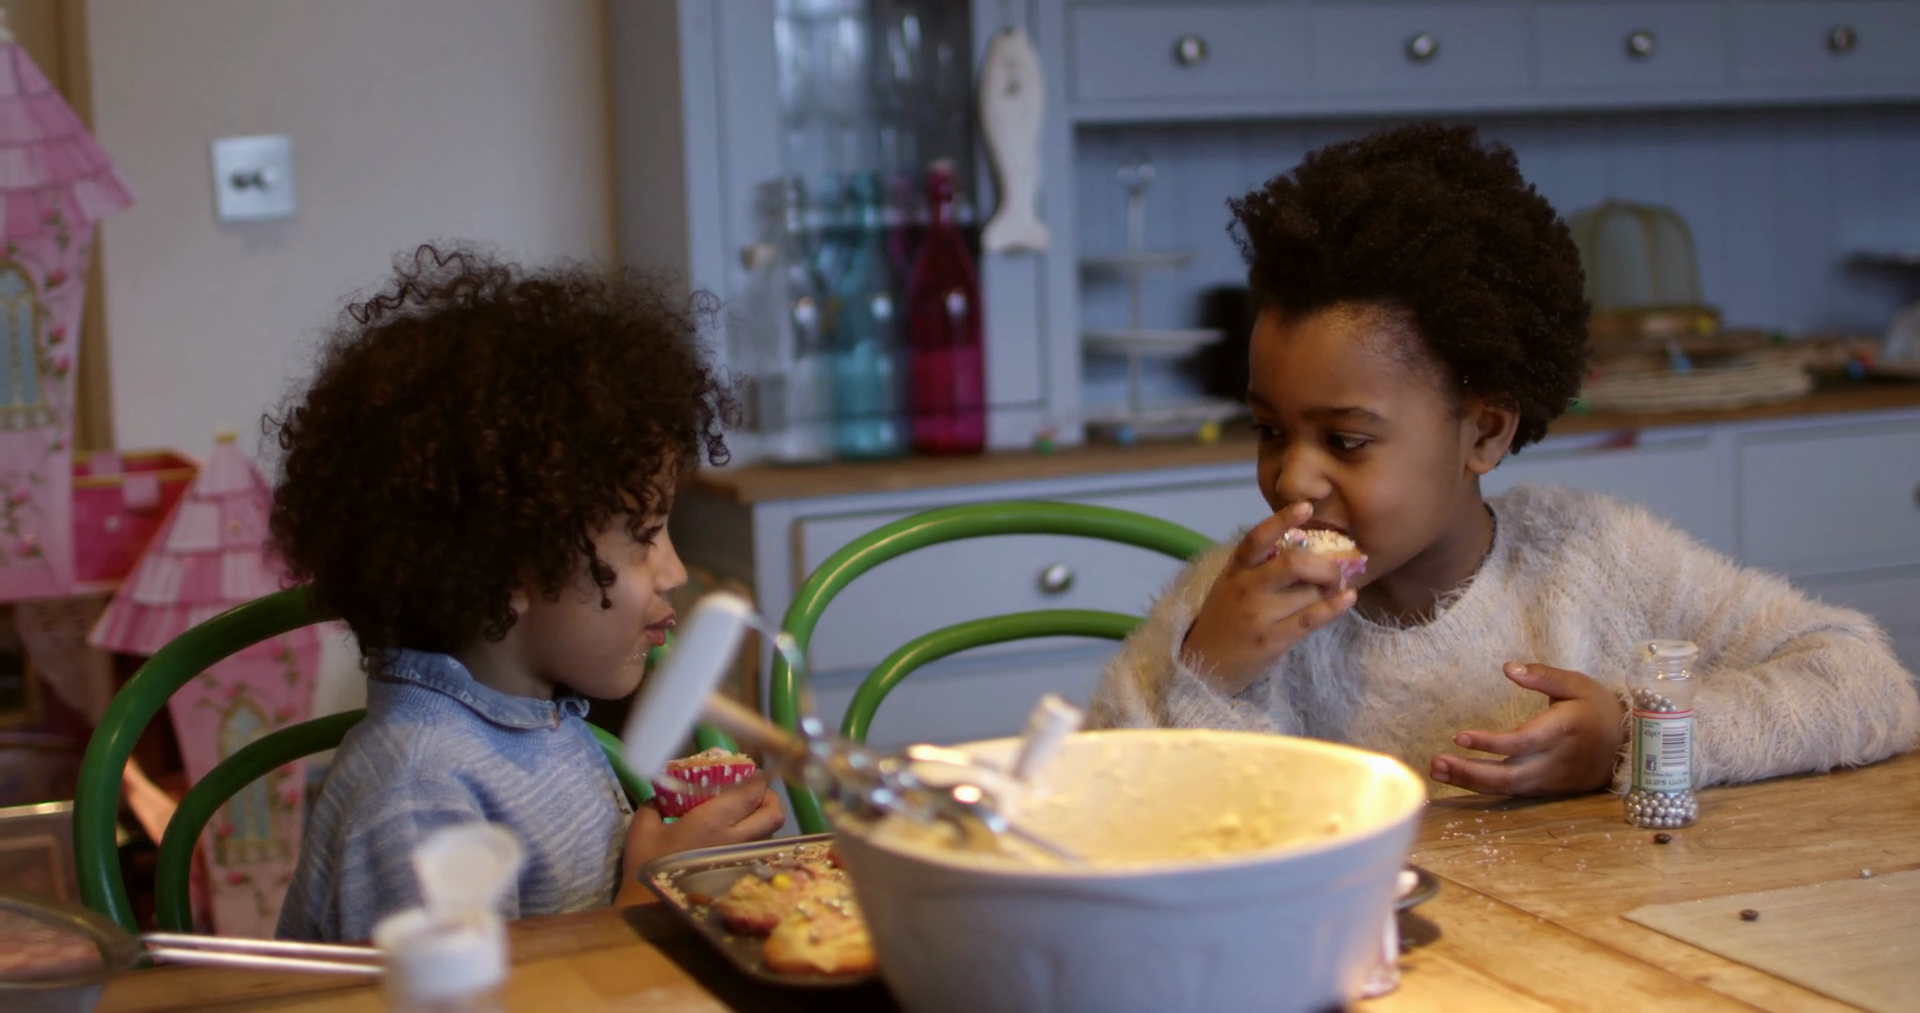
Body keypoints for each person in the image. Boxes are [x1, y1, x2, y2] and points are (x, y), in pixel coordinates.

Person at [1088, 124, 1919, 798]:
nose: (1292, 479)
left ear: (1482, 431)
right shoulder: (1224, 607)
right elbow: (1094, 807)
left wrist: (1630, 736)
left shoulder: (1597, 561)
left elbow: (1868, 683)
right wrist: (1210, 676)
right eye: (1270, 429)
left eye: (1345, 441)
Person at [271, 244, 783, 942]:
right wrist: (644, 895)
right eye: (645, 536)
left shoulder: (534, 719)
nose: (674, 572)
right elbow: (468, 993)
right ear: (513, 570)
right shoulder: (420, 796)